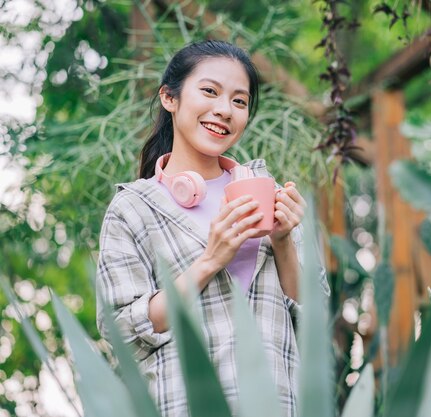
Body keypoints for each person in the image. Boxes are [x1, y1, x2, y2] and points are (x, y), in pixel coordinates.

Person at [95, 40, 329, 417]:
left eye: (239, 101)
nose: (224, 110)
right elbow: (121, 331)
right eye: (209, 91)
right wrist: (209, 260)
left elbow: (314, 319)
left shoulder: (267, 192)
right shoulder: (133, 208)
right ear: (169, 98)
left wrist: (282, 241)